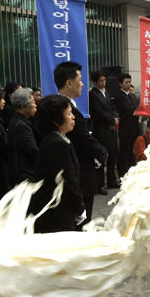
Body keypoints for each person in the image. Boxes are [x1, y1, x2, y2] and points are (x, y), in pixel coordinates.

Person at [55, 61, 107, 227]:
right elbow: (82, 139)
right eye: (80, 79)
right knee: (82, 222)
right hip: (79, 173)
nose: (83, 84)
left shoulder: (64, 106)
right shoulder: (62, 108)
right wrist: (102, 153)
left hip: (78, 170)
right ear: (69, 83)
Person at [28, 95, 85, 233]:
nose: (73, 117)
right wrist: (79, 208)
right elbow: (67, 181)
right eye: (69, 114)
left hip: (59, 210)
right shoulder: (56, 144)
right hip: (56, 214)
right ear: (56, 120)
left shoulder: (59, 139)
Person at [89, 70, 119, 193]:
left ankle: (111, 180)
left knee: (113, 154)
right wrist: (112, 120)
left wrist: (115, 117)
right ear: (95, 82)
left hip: (111, 129)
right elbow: (98, 112)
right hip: (101, 130)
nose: (103, 83)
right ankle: (99, 184)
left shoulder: (106, 92)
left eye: (104, 80)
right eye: (101, 81)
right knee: (102, 156)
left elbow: (112, 108)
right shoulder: (93, 94)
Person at [8, 87, 38, 186]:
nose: (35, 105)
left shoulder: (19, 120)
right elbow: (32, 150)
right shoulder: (21, 125)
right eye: (33, 102)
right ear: (22, 106)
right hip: (26, 175)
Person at [114, 72, 140, 177]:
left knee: (132, 152)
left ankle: (132, 172)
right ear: (120, 84)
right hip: (125, 128)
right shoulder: (119, 96)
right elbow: (126, 110)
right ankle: (122, 174)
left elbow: (136, 108)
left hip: (134, 127)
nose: (128, 84)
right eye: (126, 82)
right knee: (124, 152)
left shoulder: (132, 96)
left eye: (129, 82)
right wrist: (137, 110)